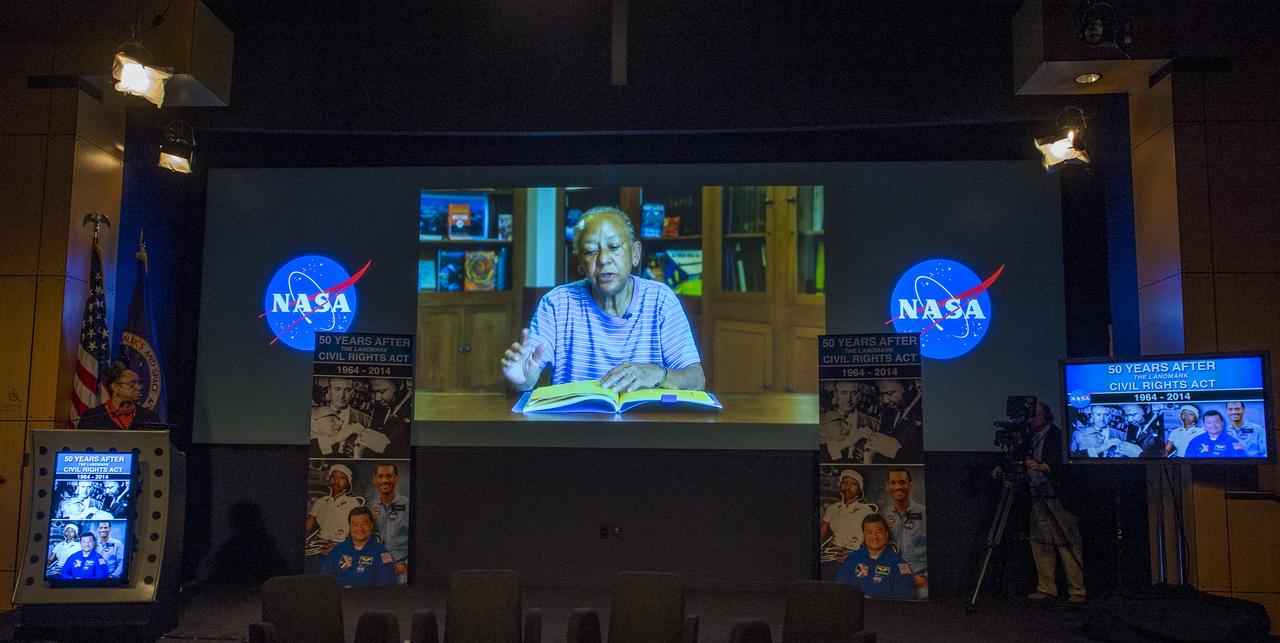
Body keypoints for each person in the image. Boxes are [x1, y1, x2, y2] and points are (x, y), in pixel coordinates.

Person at [501, 207, 704, 393]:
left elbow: (696, 379)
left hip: (644, 421)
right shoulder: (557, 304)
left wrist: (659, 374)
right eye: (590, 251)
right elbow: (527, 374)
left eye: (614, 247)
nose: (603, 259)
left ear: (635, 254)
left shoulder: (661, 300)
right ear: (580, 263)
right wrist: (522, 380)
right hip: (575, 420)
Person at [998, 401, 1085, 603]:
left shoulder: (1058, 436)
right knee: (1039, 543)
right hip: (1036, 496)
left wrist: (1043, 466)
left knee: (1068, 543)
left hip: (1058, 497)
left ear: (1045, 415)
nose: (1030, 419)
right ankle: (1046, 588)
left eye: (1034, 415)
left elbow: (1065, 463)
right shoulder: (1027, 437)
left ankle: (1077, 590)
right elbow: (1016, 457)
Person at [836, 514, 917, 599]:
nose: (874, 536)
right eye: (869, 532)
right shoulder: (851, 560)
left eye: (879, 532)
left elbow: (905, 602)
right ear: (864, 535)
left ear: (886, 534)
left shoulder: (898, 565)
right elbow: (840, 593)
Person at [320, 506, 397, 588]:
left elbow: (386, 587)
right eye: (355, 525)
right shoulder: (337, 550)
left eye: (364, 524)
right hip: (338, 595)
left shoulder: (381, 554)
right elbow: (325, 579)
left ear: (371, 526)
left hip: (366, 596)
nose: (360, 528)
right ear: (350, 527)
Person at [883, 468, 928, 597]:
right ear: (887, 486)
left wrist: (925, 578)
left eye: (902, 482)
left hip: (919, 583)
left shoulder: (924, 513)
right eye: (893, 483)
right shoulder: (882, 515)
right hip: (890, 581)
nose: (898, 487)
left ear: (910, 485)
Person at [77, 361, 161, 429]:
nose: (138, 388)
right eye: (132, 383)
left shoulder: (148, 416)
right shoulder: (92, 417)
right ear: (115, 387)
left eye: (138, 384)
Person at [820, 470, 877, 564]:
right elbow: (821, 534)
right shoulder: (833, 508)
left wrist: (852, 555)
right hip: (832, 555)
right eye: (844, 482)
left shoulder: (866, 510)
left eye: (853, 483)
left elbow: (873, 540)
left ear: (860, 488)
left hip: (855, 556)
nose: (847, 486)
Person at [310, 377, 378, 457]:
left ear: (353, 392)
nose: (342, 395)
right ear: (329, 390)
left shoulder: (365, 420)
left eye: (347, 390)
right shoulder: (313, 415)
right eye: (337, 389)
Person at [306, 464, 363, 555]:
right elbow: (308, 525)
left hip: (341, 547)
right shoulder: (321, 501)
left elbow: (360, 533)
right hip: (318, 546)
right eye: (333, 476)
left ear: (348, 483)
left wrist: (338, 548)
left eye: (342, 478)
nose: (336, 481)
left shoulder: (354, 504)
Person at [819, 382, 879, 462]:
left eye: (854, 393)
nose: (848, 399)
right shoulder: (821, 421)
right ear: (836, 394)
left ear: (860, 396)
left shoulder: (873, 423)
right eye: (844, 393)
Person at [370, 463, 409, 583]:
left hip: (401, 569)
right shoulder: (369, 507)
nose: (384, 480)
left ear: (396, 479)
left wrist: (406, 565)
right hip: (374, 567)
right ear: (374, 480)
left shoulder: (409, 505)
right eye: (380, 476)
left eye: (389, 476)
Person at [874, 380, 924, 462]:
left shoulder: (922, 414)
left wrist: (897, 453)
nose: (885, 400)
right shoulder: (888, 413)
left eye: (890, 393)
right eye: (881, 394)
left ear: (908, 387)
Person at [1070, 405, 1139, 457]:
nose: (1102, 419)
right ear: (1092, 416)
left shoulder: (1121, 435)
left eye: (1106, 415)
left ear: (1110, 416)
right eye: (1098, 415)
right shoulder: (1078, 434)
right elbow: (1073, 454)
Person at [367, 378, 412, 458]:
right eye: (374, 392)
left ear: (400, 385)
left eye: (382, 391)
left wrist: (387, 449)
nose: (377, 398)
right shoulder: (380, 408)